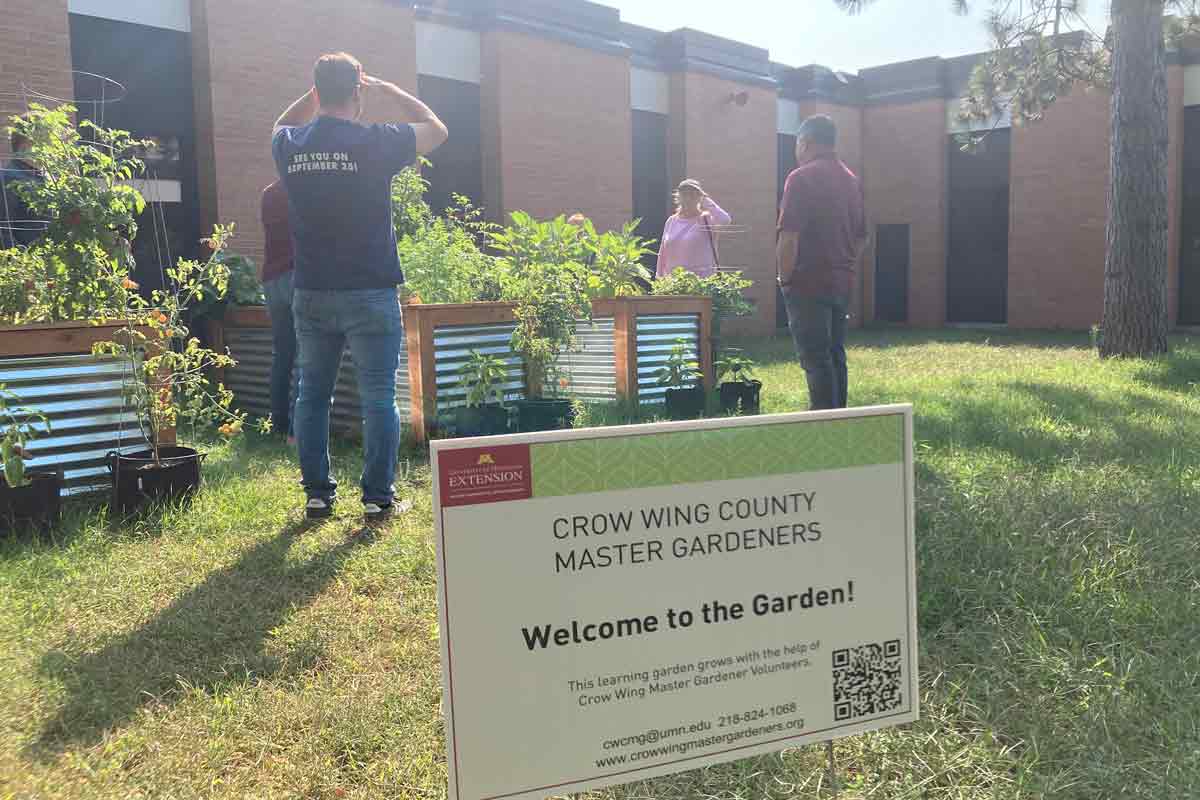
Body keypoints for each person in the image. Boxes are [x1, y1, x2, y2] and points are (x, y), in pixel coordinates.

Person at [273, 52, 447, 521]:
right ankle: (376, 496)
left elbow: (277, 125)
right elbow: (436, 127)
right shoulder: (376, 141)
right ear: (357, 92)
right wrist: (388, 91)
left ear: (315, 94)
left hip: (310, 290)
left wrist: (311, 96)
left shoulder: (291, 144)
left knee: (312, 393)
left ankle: (317, 495)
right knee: (378, 396)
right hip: (369, 289)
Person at [776, 114, 867, 411]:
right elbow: (862, 237)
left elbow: (789, 236)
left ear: (805, 142)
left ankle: (824, 426)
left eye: (796, 144)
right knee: (835, 355)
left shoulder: (800, 178)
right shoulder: (851, 180)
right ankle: (839, 420)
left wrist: (785, 279)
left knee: (815, 359)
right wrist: (844, 263)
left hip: (807, 282)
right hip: (842, 281)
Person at [259, 180, 297, 445]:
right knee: (309, 356)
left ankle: (279, 426)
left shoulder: (269, 192)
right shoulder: (303, 188)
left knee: (282, 355)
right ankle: (297, 432)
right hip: (297, 275)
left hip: (272, 279)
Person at [655, 179, 731, 278]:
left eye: (693, 194)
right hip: (672, 283)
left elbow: (725, 219)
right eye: (684, 194)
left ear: (700, 198)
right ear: (678, 197)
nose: (688, 198)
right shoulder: (671, 221)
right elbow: (663, 253)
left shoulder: (706, 219)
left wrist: (706, 200)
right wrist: (659, 278)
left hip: (700, 284)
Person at [0, 129, 43, 248]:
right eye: (45, 141)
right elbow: (3, 232)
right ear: (25, 145)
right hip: (27, 263)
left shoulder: (43, 177)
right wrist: (23, 261)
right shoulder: (9, 178)